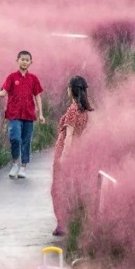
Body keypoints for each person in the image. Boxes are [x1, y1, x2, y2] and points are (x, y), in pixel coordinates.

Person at [0, 50, 46, 179]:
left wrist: (41, 114)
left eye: (27, 60)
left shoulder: (33, 79)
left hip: (29, 114)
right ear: (17, 60)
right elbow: (4, 92)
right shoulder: (12, 77)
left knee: (26, 141)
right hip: (14, 113)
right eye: (22, 59)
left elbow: (38, 96)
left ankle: (23, 167)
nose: (24, 62)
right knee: (15, 138)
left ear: (31, 62)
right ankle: (15, 163)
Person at [51, 76, 94, 237]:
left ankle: (62, 224)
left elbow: (68, 136)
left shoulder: (72, 110)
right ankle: (70, 221)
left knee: (58, 188)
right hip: (77, 151)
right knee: (70, 187)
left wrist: (63, 156)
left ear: (71, 90)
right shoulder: (84, 111)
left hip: (65, 150)